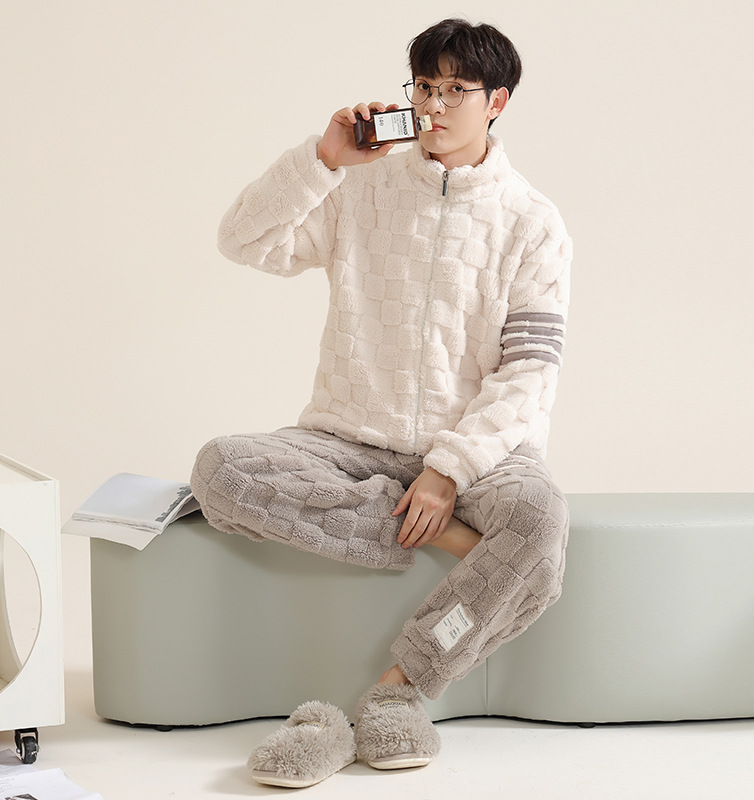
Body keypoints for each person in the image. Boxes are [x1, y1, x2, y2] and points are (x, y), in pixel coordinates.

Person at [191, 17, 572, 788]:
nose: (433, 106)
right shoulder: (360, 187)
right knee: (221, 471)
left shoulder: (533, 222)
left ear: (497, 102)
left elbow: (529, 373)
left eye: (456, 90)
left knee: (538, 522)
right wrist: (323, 159)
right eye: (424, 87)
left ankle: (401, 690)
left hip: (478, 454)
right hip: (346, 436)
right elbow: (242, 240)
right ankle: (448, 540)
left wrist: (448, 471)